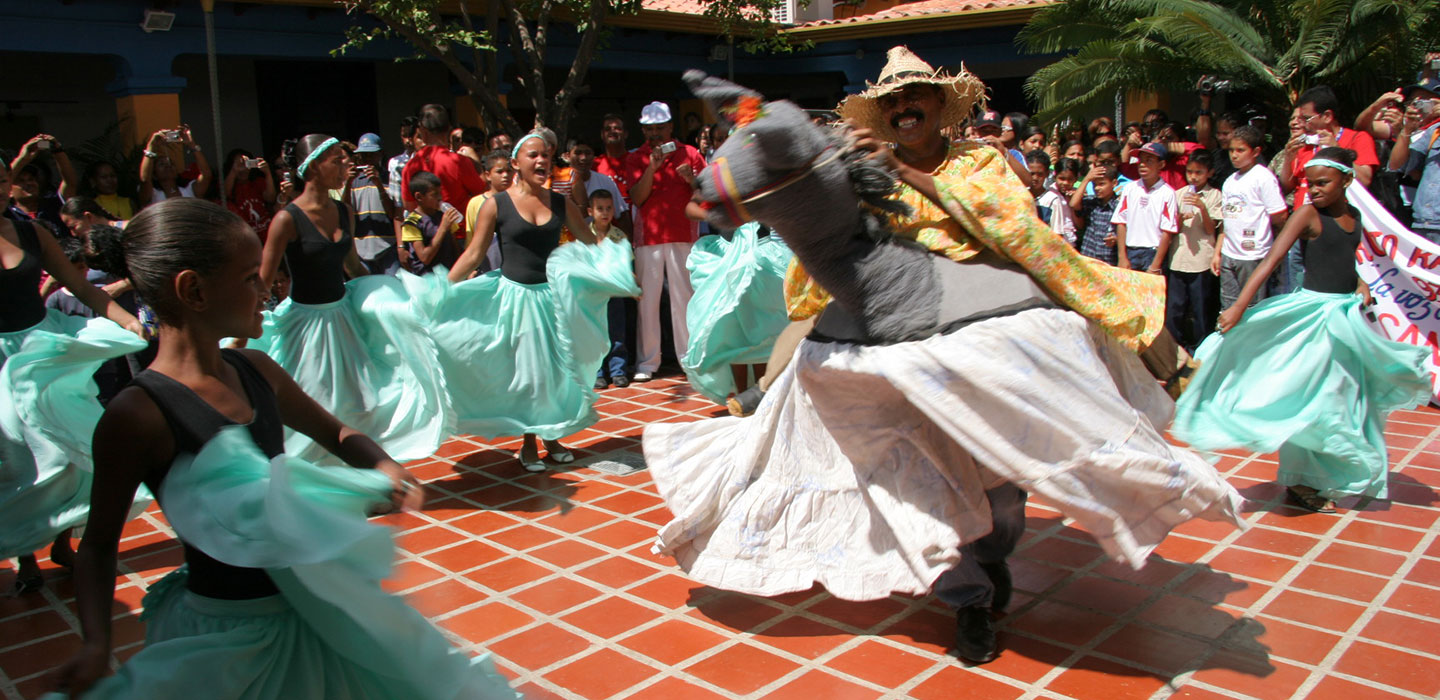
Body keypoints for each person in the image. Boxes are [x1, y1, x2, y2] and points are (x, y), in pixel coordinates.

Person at [651, 53, 1224, 668]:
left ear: (938, 106)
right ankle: (966, 597)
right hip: (889, 316)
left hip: (983, 314)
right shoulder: (863, 156)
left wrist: (899, 170)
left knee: (1000, 494)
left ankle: (1150, 368)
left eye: (914, 97)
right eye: (891, 102)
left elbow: (1010, 225)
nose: (902, 108)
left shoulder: (978, 160)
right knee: (855, 407)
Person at [50, 198, 517, 699]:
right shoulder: (139, 415)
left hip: (312, 612)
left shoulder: (256, 371)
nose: (268, 288)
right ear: (194, 290)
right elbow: (98, 546)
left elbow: (334, 433)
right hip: (227, 639)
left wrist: (383, 464)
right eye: (250, 278)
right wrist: (96, 643)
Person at [1174, 148, 1430, 514]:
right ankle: (1299, 480)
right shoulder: (1307, 215)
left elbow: (1343, 259)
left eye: (1323, 182)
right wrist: (1238, 306)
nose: (1314, 189)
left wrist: (1359, 283)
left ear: (1347, 180)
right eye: (1310, 183)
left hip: (1344, 318)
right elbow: (1270, 260)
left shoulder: (1353, 217)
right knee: (1315, 397)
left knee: (1342, 395)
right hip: (1314, 317)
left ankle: (1318, 475)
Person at [417, 130, 638, 471]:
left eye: (546, 156)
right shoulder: (496, 204)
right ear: (517, 163)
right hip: (514, 299)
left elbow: (589, 242)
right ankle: (530, 442)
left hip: (552, 299)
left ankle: (551, 436)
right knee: (528, 374)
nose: (541, 161)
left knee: (553, 372)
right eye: (533, 155)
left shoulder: (561, 202)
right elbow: (474, 254)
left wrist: (616, 268)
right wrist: (442, 289)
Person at [252, 134, 449, 464]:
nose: (348, 164)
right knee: (316, 404)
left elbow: (353, 265)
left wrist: (390, 299)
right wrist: (241, 328)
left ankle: (357, 471)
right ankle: (311, 476)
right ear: (313, 166)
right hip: (305, 327)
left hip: (343, 319)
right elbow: (263, 281)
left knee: (358, 402)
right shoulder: (287, 219)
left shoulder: (344, 211)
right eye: (337, 159)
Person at [0, 167, 145, 595]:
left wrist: (125, 320)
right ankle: (26, 555)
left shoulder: (31, 233)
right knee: (16, 454)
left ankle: (63, 543)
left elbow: (81, 288)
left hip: (45, 352)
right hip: (2, 360)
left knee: (68, 447)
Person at [625, 101, 706, 382]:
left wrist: (690, 178)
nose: (655, 134)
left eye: (660, 128)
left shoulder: (691, 153)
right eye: (650, 129)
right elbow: (637, 197)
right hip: (649, 237)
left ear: (671, 127)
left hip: (683, 234)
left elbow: (704, 194)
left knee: (684, 299)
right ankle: (647, 363)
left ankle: (689, 360)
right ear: (643, 130)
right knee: (646, 301)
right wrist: (652, 167)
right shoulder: (636, 157)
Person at [680, 221, 793, 404]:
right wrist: (716, 212)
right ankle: (742, 397)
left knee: (762, 327)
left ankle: (761, 395)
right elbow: (693, 206)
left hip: (761, 254)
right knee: (731, 330)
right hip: (726, 253)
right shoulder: (712, 193)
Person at [1217, 125, 1289, 309]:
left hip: (1252, 254)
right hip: (1229, 253)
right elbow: (1226, 220)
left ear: (1256, 151)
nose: (1234, 155)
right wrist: (1219, 251)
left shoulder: (1263, 177)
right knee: (1228, 305)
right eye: (1232, 150)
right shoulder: (1230, 181)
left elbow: (1279, 215)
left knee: (1251, 306)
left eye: (1241, 150)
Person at [1280, 85, 1380, 203]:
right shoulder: (1306, 144)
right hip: (1302, 214)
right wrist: (1288, 159)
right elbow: (1287, 188)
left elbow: (1364, 180)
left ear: (1327, 116)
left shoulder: (1357, 139)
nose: (1301, 124)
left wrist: (1337, 150)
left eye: (1306, 119)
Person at [1165, 149, 1223, 351]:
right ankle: (1174, 347)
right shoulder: (1179, 194)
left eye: (1199, 172)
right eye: (1190, 172)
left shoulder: (1215, 195)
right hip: (1179, 257)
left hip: (1201, 260)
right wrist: (1181, 218)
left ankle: (1201, 347)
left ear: (1209, 173)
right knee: (1175, 307)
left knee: (1200, 308)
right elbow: (1172, 228)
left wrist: (1202, 208)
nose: (1193, 177)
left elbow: (1210, 229)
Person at [400, 104, 488, 224]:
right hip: (459, 232)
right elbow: (482, 193)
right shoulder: (459, 161)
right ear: (449, 129)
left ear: (422, 131)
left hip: (427, 234)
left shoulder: (410, 166)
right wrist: (476, 163)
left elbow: (409, 206)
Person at [588, 189, 633, 389]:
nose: (604, 213)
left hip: (614, 294)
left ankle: (618, 371)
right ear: (591, 211)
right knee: (595, 335)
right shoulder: (583, 234)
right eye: (600, 209)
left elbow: (626, 265)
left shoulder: (618, 236)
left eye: (608, 208)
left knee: (616, 333)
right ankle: (598, 372)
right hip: (592, 297)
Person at [1112, 142, 1179, 273]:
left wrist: (1155, 264)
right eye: (1140, 160)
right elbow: (1121, 221)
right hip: (1130, 251)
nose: (1142, 165)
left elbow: (1167, 231)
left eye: (1149, 161)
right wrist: (1122, 256)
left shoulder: (1168, 193)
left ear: (1161, 165)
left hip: (1153, 252)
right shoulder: (1130, 188)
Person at [1387, 77, 1440, 243]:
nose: (1420, 104)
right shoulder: (1434, 132)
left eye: (1426, 100)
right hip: (1423, 222)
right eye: (1415, 101)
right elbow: (1396, 165)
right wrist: (1407, 128)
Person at [348, 132, 401, 274]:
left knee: (393, 290)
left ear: (380, 154)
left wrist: (379, 184)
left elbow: (392, 212)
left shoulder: (389, 179)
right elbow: (346, 212)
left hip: (387, 246)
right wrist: (347, 183)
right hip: (362, 249)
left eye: (372, 155)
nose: (368, 159)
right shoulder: (354, 182)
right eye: (364, 155)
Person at [462, 149, 514, 273]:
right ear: (488, 175)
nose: (505, 175)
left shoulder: (519, 201)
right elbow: (471, 239)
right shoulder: (476, 203)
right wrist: (471, 269)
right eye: (499, 172)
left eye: (509, 171)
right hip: (487, 267)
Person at [401, 171, 462, 275]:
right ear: (419, 197)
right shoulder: (411, 223)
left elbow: (454, 246)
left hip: (450, 274)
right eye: (435, 195)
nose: (440, 198)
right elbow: (424, 258)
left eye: (440, 193)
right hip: (428, 278)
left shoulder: (443, 215)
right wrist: (443, 227)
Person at [137, 126, 211, 206]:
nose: (168, 165)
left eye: (171, 163)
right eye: (161, 164)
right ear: (154, 175)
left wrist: (192, 145)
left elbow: (206, 175)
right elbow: (145, 180)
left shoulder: (189, 191)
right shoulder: (153, 195)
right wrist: (151, 146)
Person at [223, 149, 276, 240]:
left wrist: (267, 172)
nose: (243, 168)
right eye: (240, 164)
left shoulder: (257, 182)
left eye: (246, 163)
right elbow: (225, 194)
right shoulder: (230, 185)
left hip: (266, 234)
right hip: (246, 238)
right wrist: (234, 170)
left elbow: (270, 198)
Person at [1073, 166, 1121, 264]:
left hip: (1109, 259)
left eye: (1101, 184)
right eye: (1094, 184)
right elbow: (1073, 204)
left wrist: (1116, 239)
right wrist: (1086, 179)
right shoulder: (1091, 202)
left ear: (1114, 183)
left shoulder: (1119, 206)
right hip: (1088, 256)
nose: (1097, 188)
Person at [1036, 156, 1080, 245]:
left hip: (1070, 242)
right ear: (1055, 176)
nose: (1065, 183)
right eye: (1062, 178)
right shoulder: (1052, 197)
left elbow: (1079, 224)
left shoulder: (1074, 194)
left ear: (1076, 179)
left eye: (1070, 179)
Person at [387, 116, 418, 204]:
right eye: (404, 136)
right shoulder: (395, 163)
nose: (408, 140)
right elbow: (397, 201)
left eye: (410, 135)